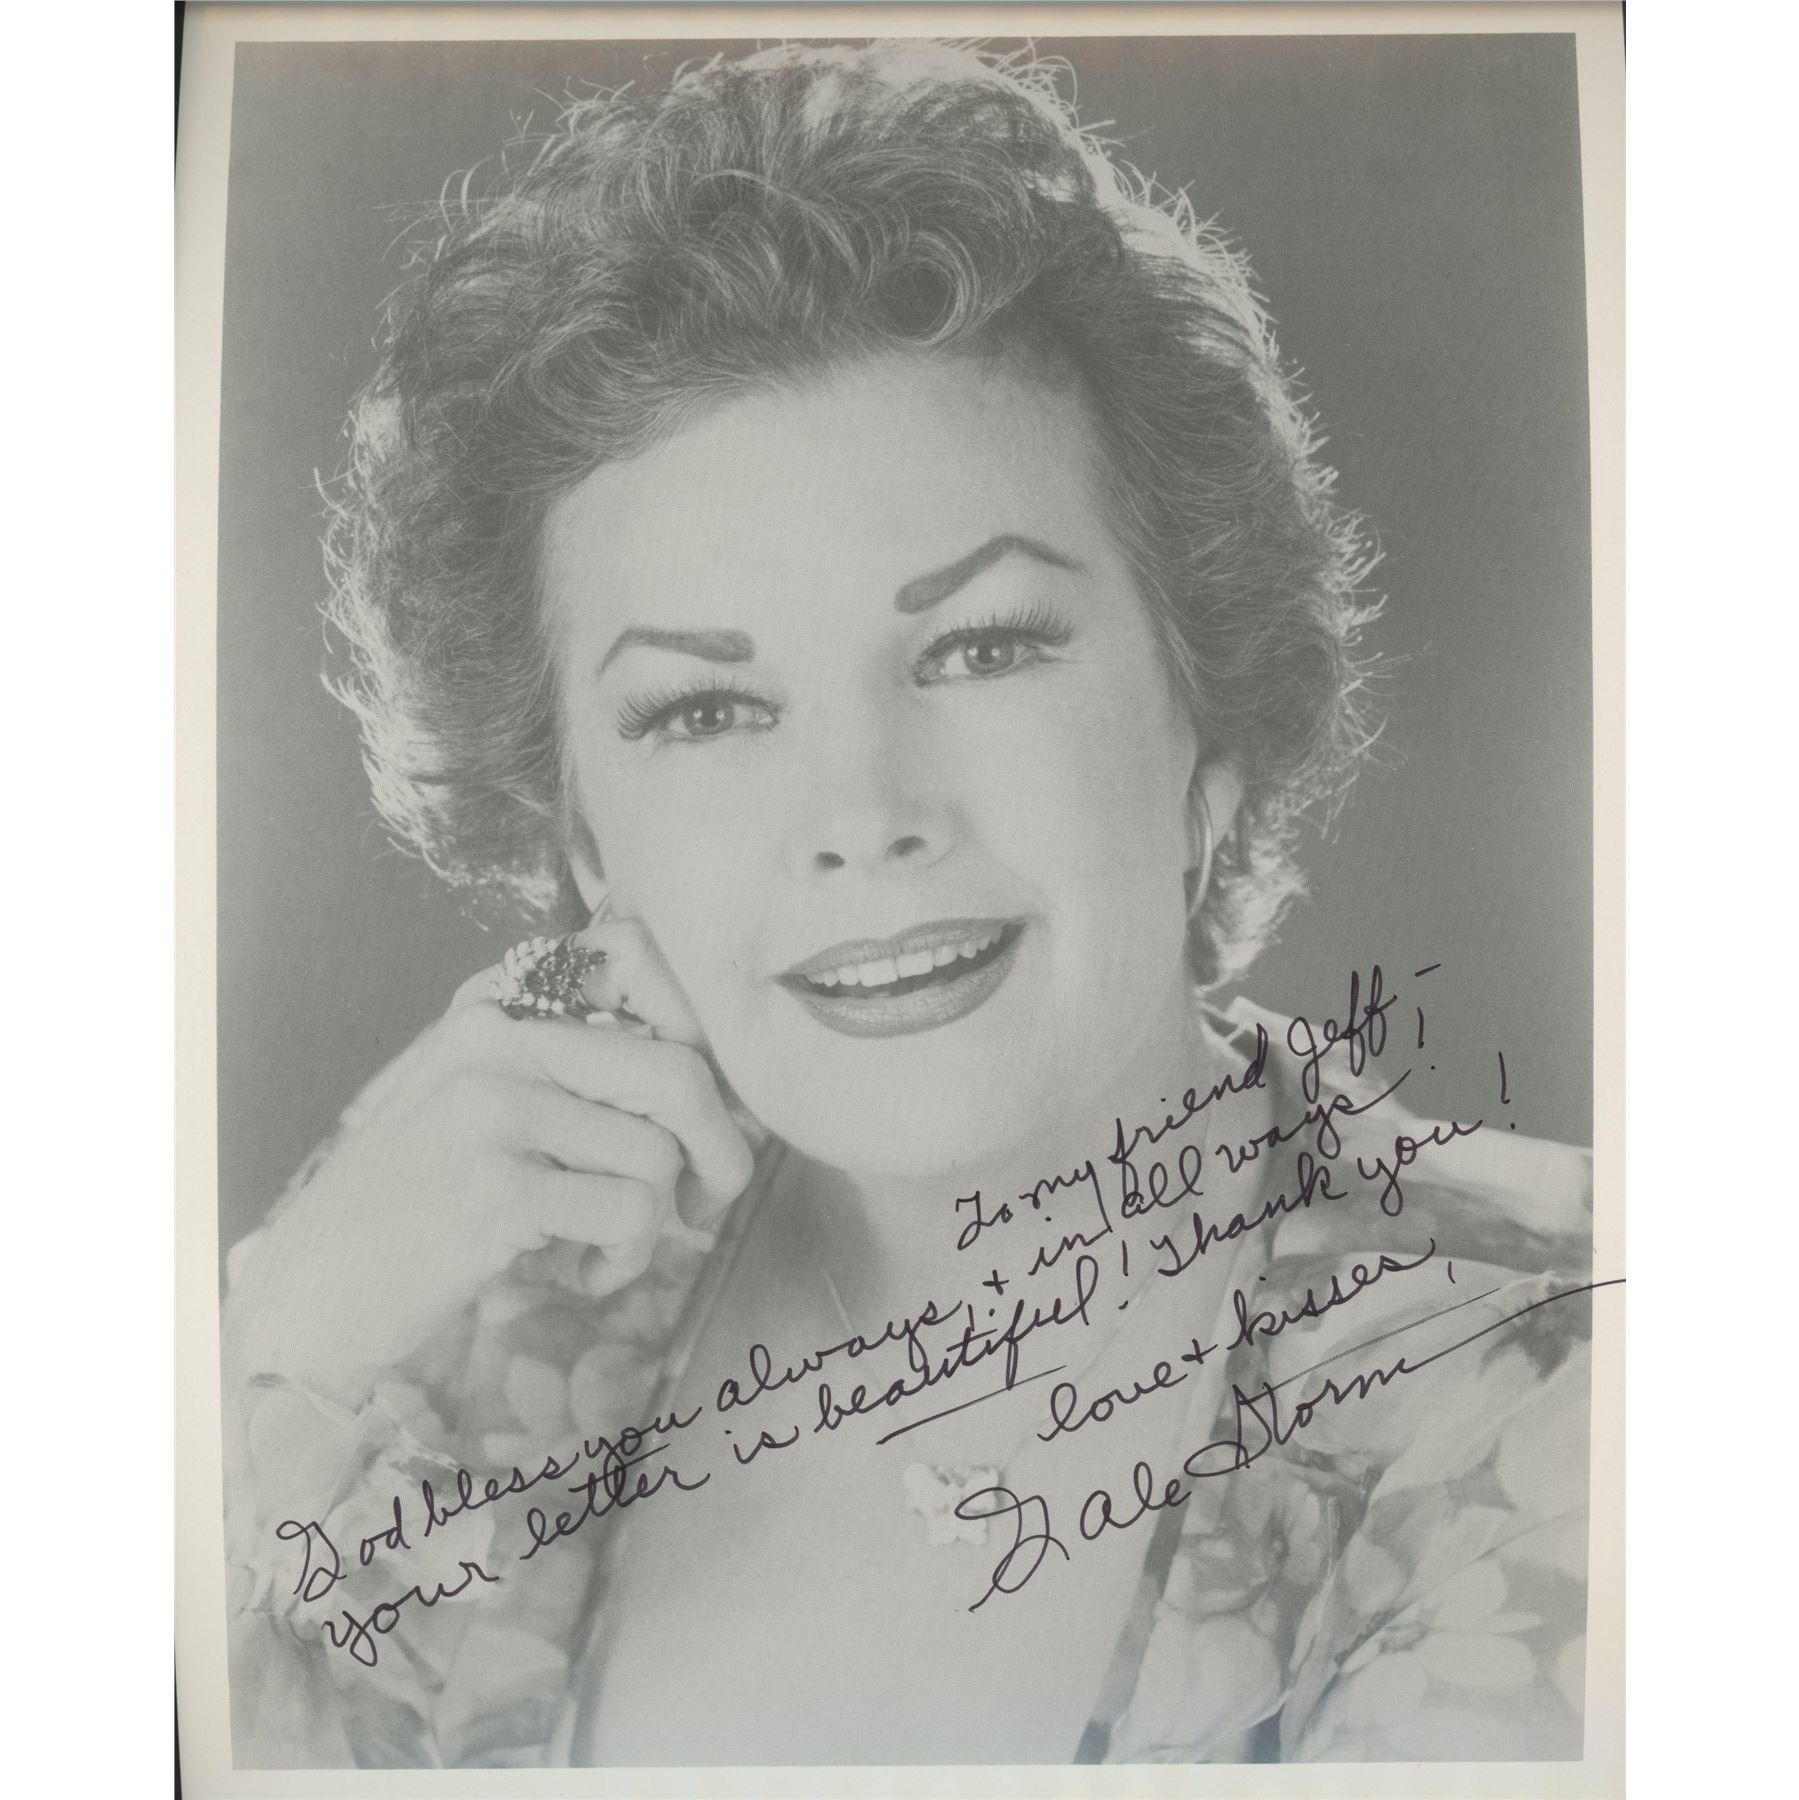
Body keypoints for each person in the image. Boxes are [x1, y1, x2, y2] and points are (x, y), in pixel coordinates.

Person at [221, 41, 1594, 1768]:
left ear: (1206, 722)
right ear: (582, 846)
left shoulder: (1566, 1383)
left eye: (981, 647)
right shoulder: (430, 1355)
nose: (864, 818)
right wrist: (264, 1339)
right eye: (703, 711)